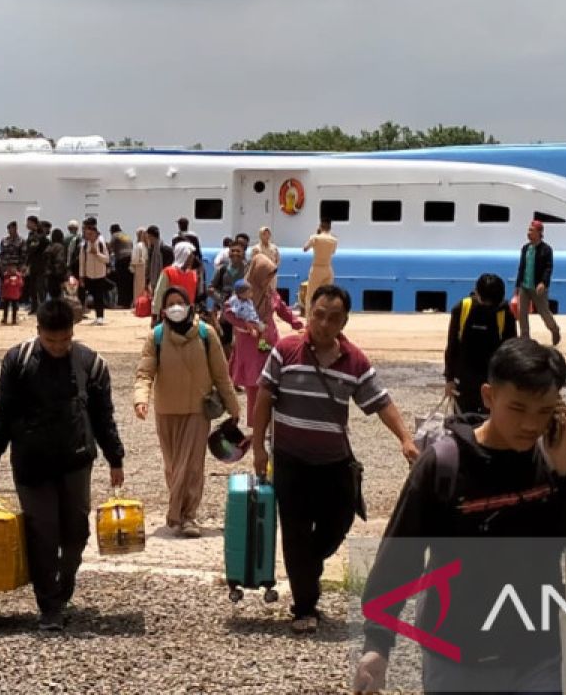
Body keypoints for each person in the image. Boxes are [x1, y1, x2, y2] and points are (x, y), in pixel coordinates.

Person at [354, 339, 566, 694]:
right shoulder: (444, 464)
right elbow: (400, 556)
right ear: (488, 396)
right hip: (456, 656)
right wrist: (377, 643)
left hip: (542, 656)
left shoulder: (558, 461)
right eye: (518, 408)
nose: (531, 424)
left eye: (544, 411)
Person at [250, 285, 418, 634]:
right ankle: (304, 607)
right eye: (318, 315)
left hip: (333, 463)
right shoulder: (285, 350)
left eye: (332, 318)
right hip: (291, 461)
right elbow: (264, 397)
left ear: (344, 321)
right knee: (295, 533)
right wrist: (259, 448)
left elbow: (381, 401)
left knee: (340, 521)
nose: (323, 324)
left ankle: (306, 567)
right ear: (309, 313)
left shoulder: (354, 361)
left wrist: (404, 438)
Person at [0, 299, 125, 632]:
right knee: (42, 533)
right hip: (31, 463)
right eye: (51, 341)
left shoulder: (91, 364)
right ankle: (49, 605)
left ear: (72, 333)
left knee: (76, 532)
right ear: (39, 333)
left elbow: (104, 417)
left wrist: (115, 458)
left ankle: (64, 586)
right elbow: (3, 412)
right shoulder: (17, 361)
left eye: (64, 340)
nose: (58, 347)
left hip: (76, 459)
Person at [133, 286, 240, 537]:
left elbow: (221, 375)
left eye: (179, 302)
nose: (175, 308)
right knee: (173, 467)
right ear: (163, 310)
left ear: (189, 305)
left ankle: (187, 516)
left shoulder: (206, 334)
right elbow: (145, 372)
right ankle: (179, 513)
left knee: (191, 466)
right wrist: (141, 399)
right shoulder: (156, 337)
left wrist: (233, 407)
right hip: (166, 412)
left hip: (196, 412)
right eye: (170, 304)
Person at [223, 254, 302, 426]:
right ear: (258, 273)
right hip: (250, 344)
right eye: (267, 275)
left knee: (272, 380)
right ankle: (255, 423)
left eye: (271, 276)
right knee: (254, 384)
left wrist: (296, 323)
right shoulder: (242, 294)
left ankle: (271, 420)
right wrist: (245, 324)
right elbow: (228, 313)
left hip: (269, 340)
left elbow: (282, 309)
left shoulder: (269, 293)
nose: (269, 280)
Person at [444, 273, 517, 415]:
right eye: (485, 302)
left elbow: (511, 350)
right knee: (463, 423)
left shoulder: (504, 312)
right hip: (464, 380)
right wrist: (449, 379)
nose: (488, 306)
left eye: (492, 304)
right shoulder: (462, 308)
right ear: (477, 293)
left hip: (493, 380)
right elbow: (452, 346)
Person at [515, 219, 561, 345]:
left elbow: (548, 268)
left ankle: (554, 329)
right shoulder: (525, 248)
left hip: (538, 287)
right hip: (525, 285)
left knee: (543, 312)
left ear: (539, 232)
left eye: (531, 230)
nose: (528, 233)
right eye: (528, 230)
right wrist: (518, 285)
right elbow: (521, 267)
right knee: (521, 312)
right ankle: (525, 338)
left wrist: (544, 283)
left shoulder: (546, 250)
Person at [210, 242, 248, 354]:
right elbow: (211, 288)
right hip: (225, 313)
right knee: (224, 342)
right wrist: (221, 301)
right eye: (233, 251)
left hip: (243, 313)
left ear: (243, 253)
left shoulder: (248, 270)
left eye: (238, 251)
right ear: (229, 253)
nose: (235, 253)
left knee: (241, 343)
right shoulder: (222, 269)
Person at [150, 241, 200, 324]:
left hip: (188, 316)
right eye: (190, 255)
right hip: (170, 315)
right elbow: (158, 295)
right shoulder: (168, 272)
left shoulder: (193, 274)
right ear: (183, 255)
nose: (192, 258)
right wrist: (154, 315)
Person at [78, 218, 111, 326]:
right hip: (89, 275)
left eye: (90, 234)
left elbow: (106, 259)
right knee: (87, 295)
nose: (88, 236)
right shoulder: (84, 245)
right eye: (87, 234)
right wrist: (81, 276)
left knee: (99, 296)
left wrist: (97, 254)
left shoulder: (101, 243)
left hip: (100, 275)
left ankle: (100, 316)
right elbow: (82, 262)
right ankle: (83, 311)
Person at [302, 221, 337, 310]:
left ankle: (309, 317)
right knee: (327, 294)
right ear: (330, 228)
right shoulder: (334, 240)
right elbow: (332, 252)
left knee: (311, 295)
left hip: (317, 268)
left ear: (320, 227)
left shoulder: (315, 238)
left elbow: (305, 248)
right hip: (328, 268)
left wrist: (316, 235)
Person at [25, 216, 49, 315]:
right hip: (33, 264)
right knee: (32, 287)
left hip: (41, 265)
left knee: (40, 287)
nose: (27, 225)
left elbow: (35, 247)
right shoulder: (30, 234)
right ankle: (34, 307)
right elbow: (29, 249)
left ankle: (43, 307)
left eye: (29, 223)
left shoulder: (41, 235)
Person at [109, 223, 134, 308]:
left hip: (121, 260)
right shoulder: (126, 236)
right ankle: (128, 302)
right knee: (128, 283)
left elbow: (109, 248)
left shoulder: (115, 235)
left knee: (121, 283)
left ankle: (121, 303)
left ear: (112, 231)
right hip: (130, 259)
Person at [144, 225, 173, 296]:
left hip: (163, 281)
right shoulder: (168, 250)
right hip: (163, 280)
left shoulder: (163, 250)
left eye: (148, 237)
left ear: (151, 236)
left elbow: (150, 267)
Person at [44, 228, 69, 302]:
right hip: (57, 276)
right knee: (59, 297)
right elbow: (60, 261)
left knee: (50, 296)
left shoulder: (49, 247)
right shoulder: (60, 247)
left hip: (48, 275)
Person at [130, 227, 149, 305]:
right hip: (145, 267)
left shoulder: (138, 245)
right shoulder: (146, 245)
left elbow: (134, 259)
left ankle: (138, 304)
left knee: (138, 287)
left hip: (139, 267)